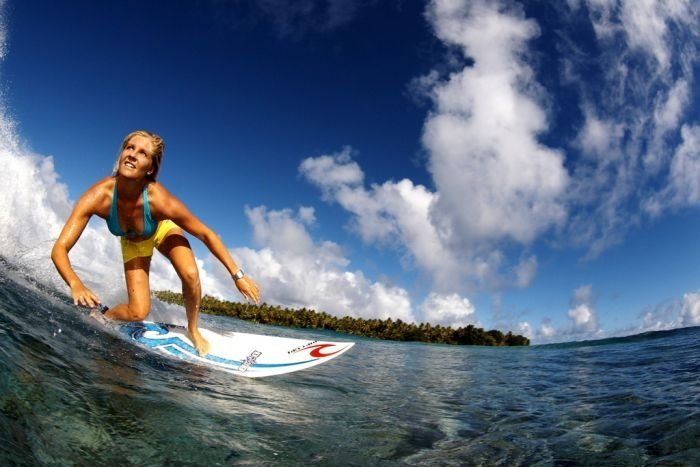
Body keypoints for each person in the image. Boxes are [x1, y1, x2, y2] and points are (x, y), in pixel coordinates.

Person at [51, 130, 260, 356]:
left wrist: (237, 275)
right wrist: (75, 284)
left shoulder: (158, 199)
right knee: (137, 312)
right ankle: (102, 316)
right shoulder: (98, 197)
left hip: (162, 229)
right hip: (134, 243)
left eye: (142, 153)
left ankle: (193, 329)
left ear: (150, 168)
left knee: (190, 273)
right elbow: (59, 249)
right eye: (130, 148)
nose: (132, 155)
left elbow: (206, 234)